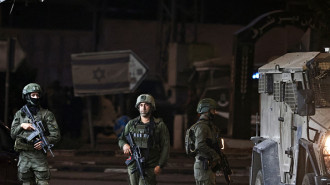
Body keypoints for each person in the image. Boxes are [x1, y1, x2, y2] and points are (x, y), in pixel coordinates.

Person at [11, 83, 61, 185]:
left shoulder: (46, 114)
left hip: (38, 156)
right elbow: (12, 134)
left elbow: (56, 135)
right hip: (24, 155)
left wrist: (44, 141)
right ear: (26, 96)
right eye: (33, 95)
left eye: (37, 95)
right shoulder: (20, 114)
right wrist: (22, 126)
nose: (36, 97)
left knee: (43, 182)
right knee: (26, 182)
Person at [118, 94, 170, 185]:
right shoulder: (131, 124)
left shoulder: (159, 125)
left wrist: (160, 165)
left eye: (146, 105)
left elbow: (166, 147)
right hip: (133, 164)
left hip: (150, 165)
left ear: (151, 107)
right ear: (138, 107)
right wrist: (124, 145)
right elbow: (121, 139)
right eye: (141, 105)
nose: (143, 108)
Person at [191, 98, 222, 185]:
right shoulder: (202, 127)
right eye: (212, 110)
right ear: (206, 110)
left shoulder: (208, 126)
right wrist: (215, 155)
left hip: (207, 166)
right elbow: (200, 145)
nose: (214, 112)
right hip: (203, 166)